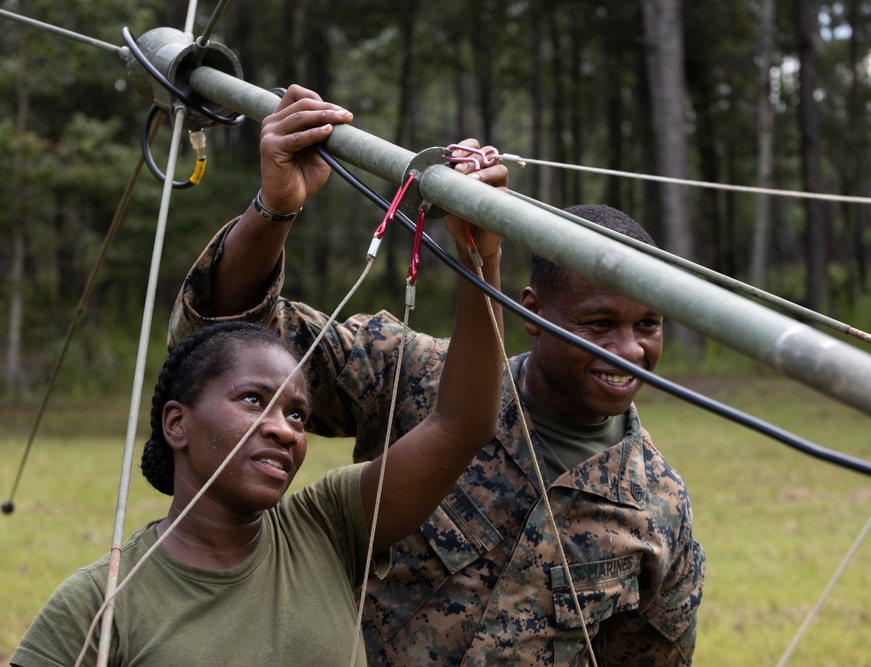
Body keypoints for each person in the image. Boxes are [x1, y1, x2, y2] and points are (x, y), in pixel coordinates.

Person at [168, 85, 704, 665]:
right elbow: (222, 340)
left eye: (648, 324)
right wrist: (274, 210)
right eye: (599, 323)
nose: (628, 349)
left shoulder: (658, 505)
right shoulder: (411, 373)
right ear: (531, 310)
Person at [10, 86, 507, 667]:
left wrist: (480, 256)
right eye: (254, 400)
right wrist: (275, 205)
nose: (285, 430)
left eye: (297, 413)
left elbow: (461, 426)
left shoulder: (327, 528)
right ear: (177, 422)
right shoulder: (99, 604)